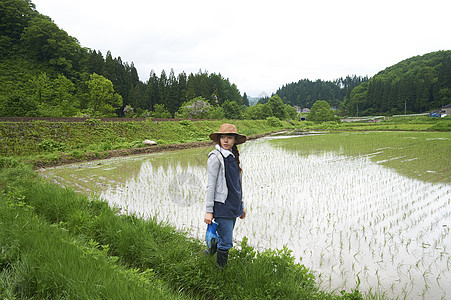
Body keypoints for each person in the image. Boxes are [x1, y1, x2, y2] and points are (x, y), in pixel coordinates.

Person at [204, 123, 247, 268]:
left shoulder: (233, 157)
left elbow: (237, 185)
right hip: (222, 205)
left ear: (234, 140)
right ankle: (220, 272)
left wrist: (241, 206)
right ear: (219, 139)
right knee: (227, 241)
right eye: (223, 137)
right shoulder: (215, 157)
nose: (226, 140)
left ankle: (207, 255)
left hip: (233, 205)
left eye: (230, 137)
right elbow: (210, 185)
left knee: (224, 236)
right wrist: (209, 211)